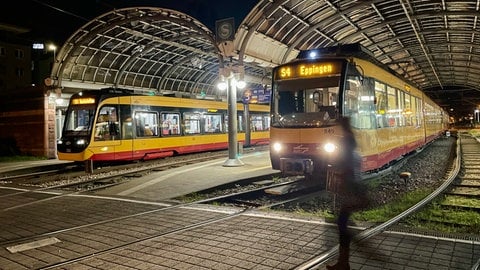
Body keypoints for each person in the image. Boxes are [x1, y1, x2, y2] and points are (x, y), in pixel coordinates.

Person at [327, 116, 369, 270]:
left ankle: (343, 262)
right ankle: (343, 261)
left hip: (351, 191)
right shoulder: (353, 147)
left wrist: (337, 172)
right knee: (342, 223)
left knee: (342, 224)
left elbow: (345, 168)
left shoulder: (347, 145)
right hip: (354, 189)